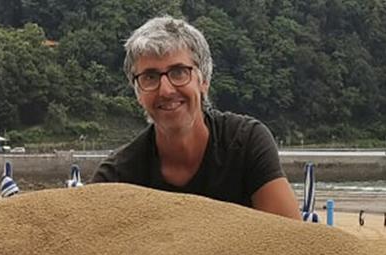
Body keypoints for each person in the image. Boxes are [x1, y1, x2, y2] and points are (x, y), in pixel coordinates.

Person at [90, 16, 298, 219]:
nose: (166, 90)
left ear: (203, 80)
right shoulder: (117, 178)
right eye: (150, 77)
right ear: (138, 93)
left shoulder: (245, 144)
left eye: (179, 72)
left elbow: (291, 241)